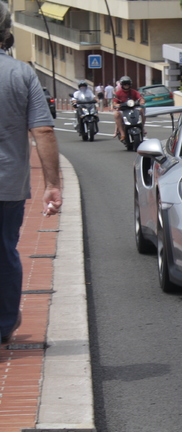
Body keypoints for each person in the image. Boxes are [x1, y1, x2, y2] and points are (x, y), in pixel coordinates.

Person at [0, 2, 62, 344]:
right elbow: (44, 132)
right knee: (5, 252)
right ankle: (5, 324)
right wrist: (52, 184)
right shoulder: (21, 74)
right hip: (7, 185)